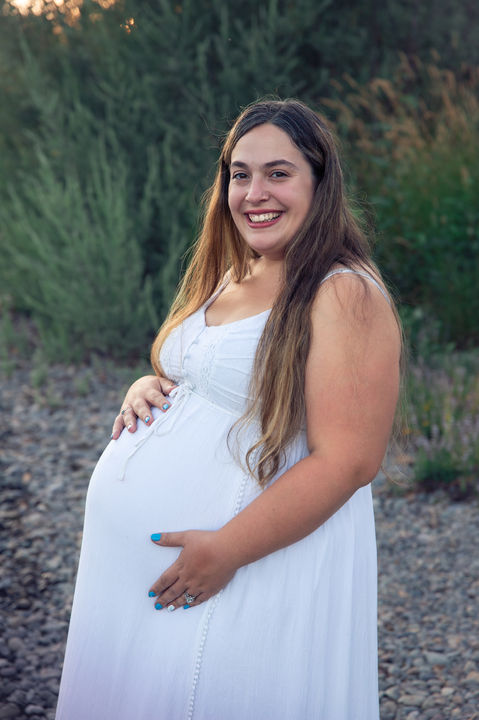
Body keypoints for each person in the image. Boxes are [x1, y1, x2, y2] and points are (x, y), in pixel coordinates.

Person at [55, 99, 401, 720]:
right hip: (150, 583)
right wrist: (150, 387)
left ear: (320, 183)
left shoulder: (343, 290)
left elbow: (350, 459)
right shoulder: (238, 271)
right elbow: (210, 379)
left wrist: (228, 550)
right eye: (240, 174)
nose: (254, 193)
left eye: (278, 173)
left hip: (246, 568)